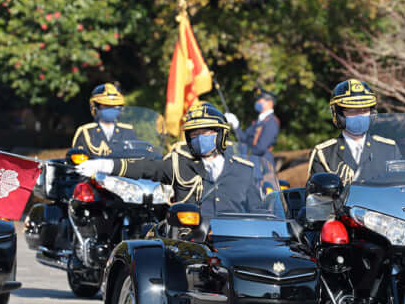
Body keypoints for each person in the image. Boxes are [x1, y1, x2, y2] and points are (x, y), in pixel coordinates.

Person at [76, 102, 262, 219]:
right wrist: (104, 164)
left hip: (233, 247)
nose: (200, 138)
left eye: (206, 132)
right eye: (195, 134)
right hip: (191, 245)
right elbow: (145, 167)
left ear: (220, 134)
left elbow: (259, 214)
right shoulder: (179, 163)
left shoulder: (244, 170)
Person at [307, 79, 399, 184]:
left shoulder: (389, 149)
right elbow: (316, 197)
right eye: (352, 111)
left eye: (364, 110)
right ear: (338, 115)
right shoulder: (323, 153)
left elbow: (399, 191)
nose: (359, 115)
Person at [72, 83, 138, 158]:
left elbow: (135, 158)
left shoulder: (127, 130)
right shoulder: (86, 131)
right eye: (106, 106)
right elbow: (78, 160)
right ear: (95, 107)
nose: (111, 109)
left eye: (115, 106)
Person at [224, 88, 280, 167]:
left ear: (270, 102)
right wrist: (236, 126)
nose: (257, 102)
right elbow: (244, 139)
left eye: (260, 100)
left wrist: (241, 152)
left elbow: (260, 148)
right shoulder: (259, 121)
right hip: (253, 162)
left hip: (263, 166)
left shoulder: (271, 122)